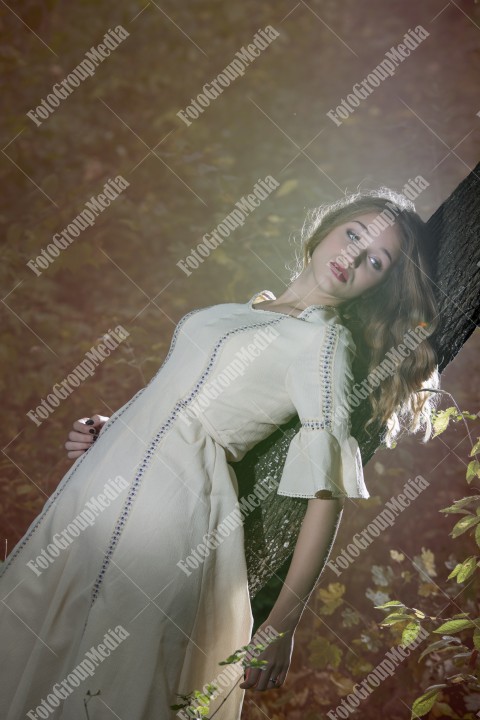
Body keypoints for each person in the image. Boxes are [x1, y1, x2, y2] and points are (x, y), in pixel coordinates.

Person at [0, 188, 440, 720]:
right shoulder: (248, 309)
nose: (353, 256)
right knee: (37, 647)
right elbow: (186, 396)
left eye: (376, 261)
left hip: (169, 517)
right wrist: (115, 427)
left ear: (380, 284)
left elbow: (326, 495)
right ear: (328, 228)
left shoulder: (322, 345)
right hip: (102, 489)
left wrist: (282, 625)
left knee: (104, 683)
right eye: (354, 235)